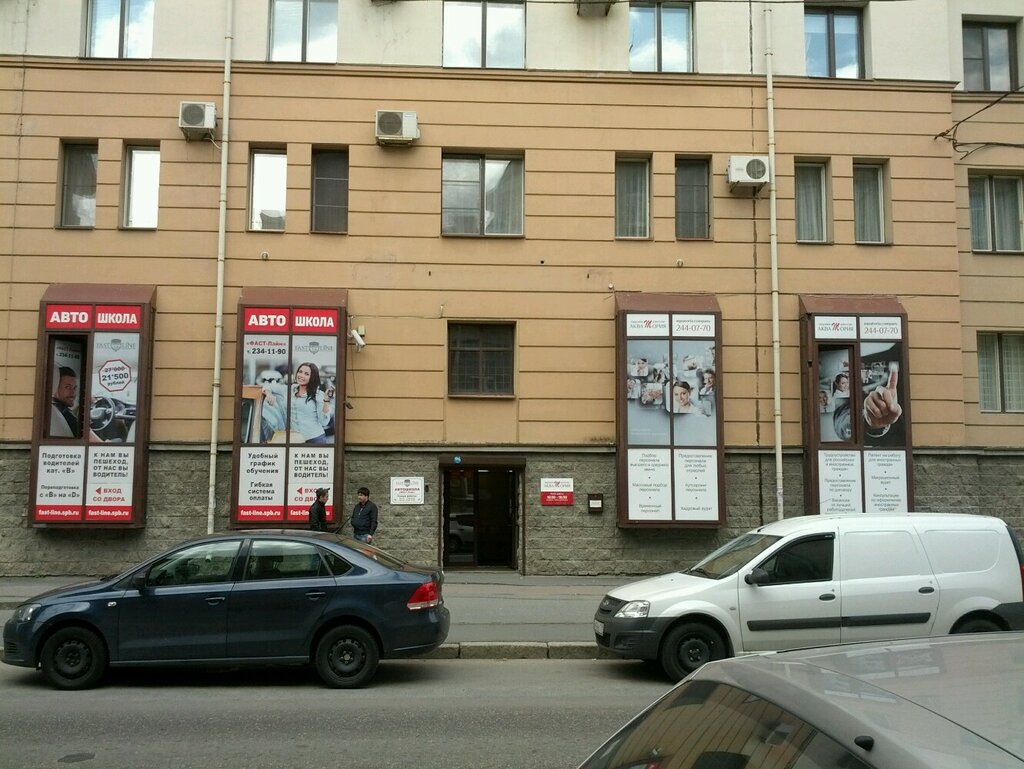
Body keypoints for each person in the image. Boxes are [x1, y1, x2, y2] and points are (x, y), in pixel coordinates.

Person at [261, 361, 333, 444]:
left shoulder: (318, 395)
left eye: (306, 374)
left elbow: (324, 422)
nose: (301, 375)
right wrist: (269, 394)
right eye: (300, 372)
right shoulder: (289, 389)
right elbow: (266, 386)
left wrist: (326, 400)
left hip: (314, 439)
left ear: (312, 377)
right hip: (295, 439)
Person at [50, 366, 81, 438]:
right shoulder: (66, 413)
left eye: (74, 388)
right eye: (68, 387)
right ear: (55, 387)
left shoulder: (54, 408)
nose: (73, 392)